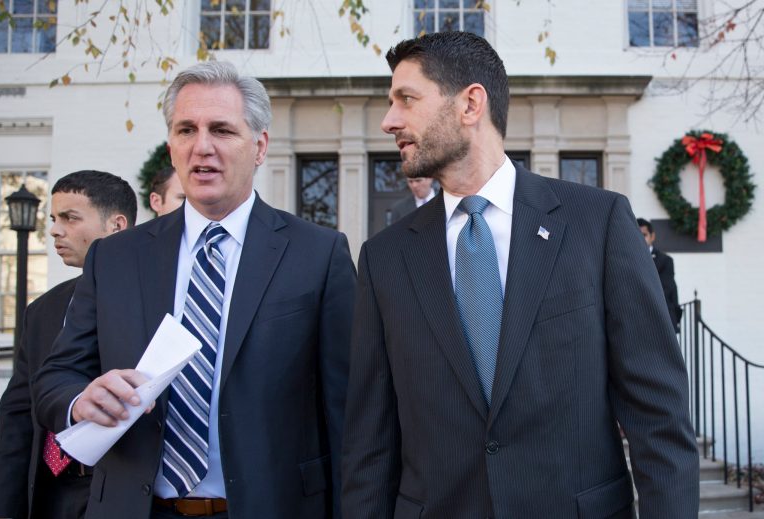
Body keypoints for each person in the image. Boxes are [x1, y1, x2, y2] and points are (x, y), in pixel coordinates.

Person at [341, 31, 699, 518]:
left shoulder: (599, 224)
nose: (389, 121)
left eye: (406, 99)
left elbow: (660, 418)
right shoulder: (384, 259)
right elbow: (370, 445)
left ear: (471, 104)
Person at [34, 61, 356, 519]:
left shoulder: (318, 255)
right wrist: (80, 400)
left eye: (222, 130)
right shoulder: (116, 259)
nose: (202, 147)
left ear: (260, 146)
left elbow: (348, 413)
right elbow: (53, 378)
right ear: (172, 145)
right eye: (186, 130)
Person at [0, 171, 136, 519]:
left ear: (117, 225)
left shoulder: (151, 302)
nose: (55, 230)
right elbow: (18, 416)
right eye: (54, 219)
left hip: (121, 494)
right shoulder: (41, 310)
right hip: (50, 494)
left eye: (70, 218)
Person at [638, 218, 683, 332]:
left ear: (652, 236)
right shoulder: (624, 259)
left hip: (661, 319)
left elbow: (665, 288)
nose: (640, 238)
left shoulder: (665, 260)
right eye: (636, 234)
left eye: (644, 234)